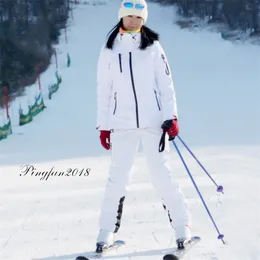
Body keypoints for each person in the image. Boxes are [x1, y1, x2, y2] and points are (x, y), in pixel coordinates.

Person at [95, 0, 192, 252]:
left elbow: (166, 84)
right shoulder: (109, 50)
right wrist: (104, 125)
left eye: (138, 18)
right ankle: (106, 232)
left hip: (153, 123)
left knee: (161, 175)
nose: (133, 21)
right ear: (121, 17)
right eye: (129, 16)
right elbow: (104, 91)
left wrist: (171, 116)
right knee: (117, 179)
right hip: (121, 124)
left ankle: (183, 227)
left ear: (144, 20)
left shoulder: (153, 48)